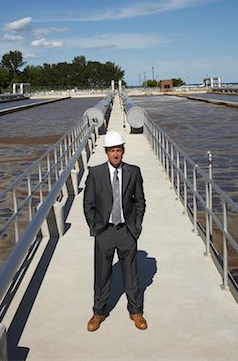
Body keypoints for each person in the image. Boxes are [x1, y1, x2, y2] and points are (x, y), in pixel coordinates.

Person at [83, 130, 147, 331]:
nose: (115, 154)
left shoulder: (133, 172)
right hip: (105, 232)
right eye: (112, 151)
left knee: (131, 274)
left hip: (126, 231)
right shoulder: (95, 173)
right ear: (106, 152)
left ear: (123, 151)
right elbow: (88, 204)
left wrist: (135, 227)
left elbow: (140, 202)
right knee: (102, 274)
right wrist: (96, 229)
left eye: (118, 150)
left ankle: (136, 312)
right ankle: (98, 313)